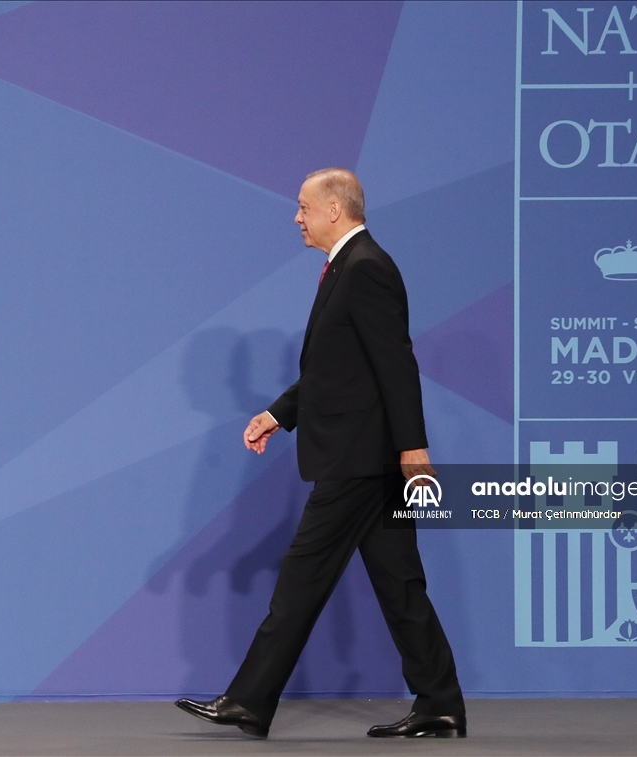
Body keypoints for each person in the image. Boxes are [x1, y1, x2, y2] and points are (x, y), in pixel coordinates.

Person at [175, 168, 465, 739]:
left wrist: (413, 447)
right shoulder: (347, 267)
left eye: (303, 207)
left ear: (335, 209)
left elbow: (395, 363)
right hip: (366, 458)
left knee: (303, 577)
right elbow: (336, 370)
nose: (296, 218)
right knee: (400, 586)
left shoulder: (366, 268)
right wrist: (278, 414)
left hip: (359, 460)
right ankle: (440, 703)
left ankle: (249, 700)